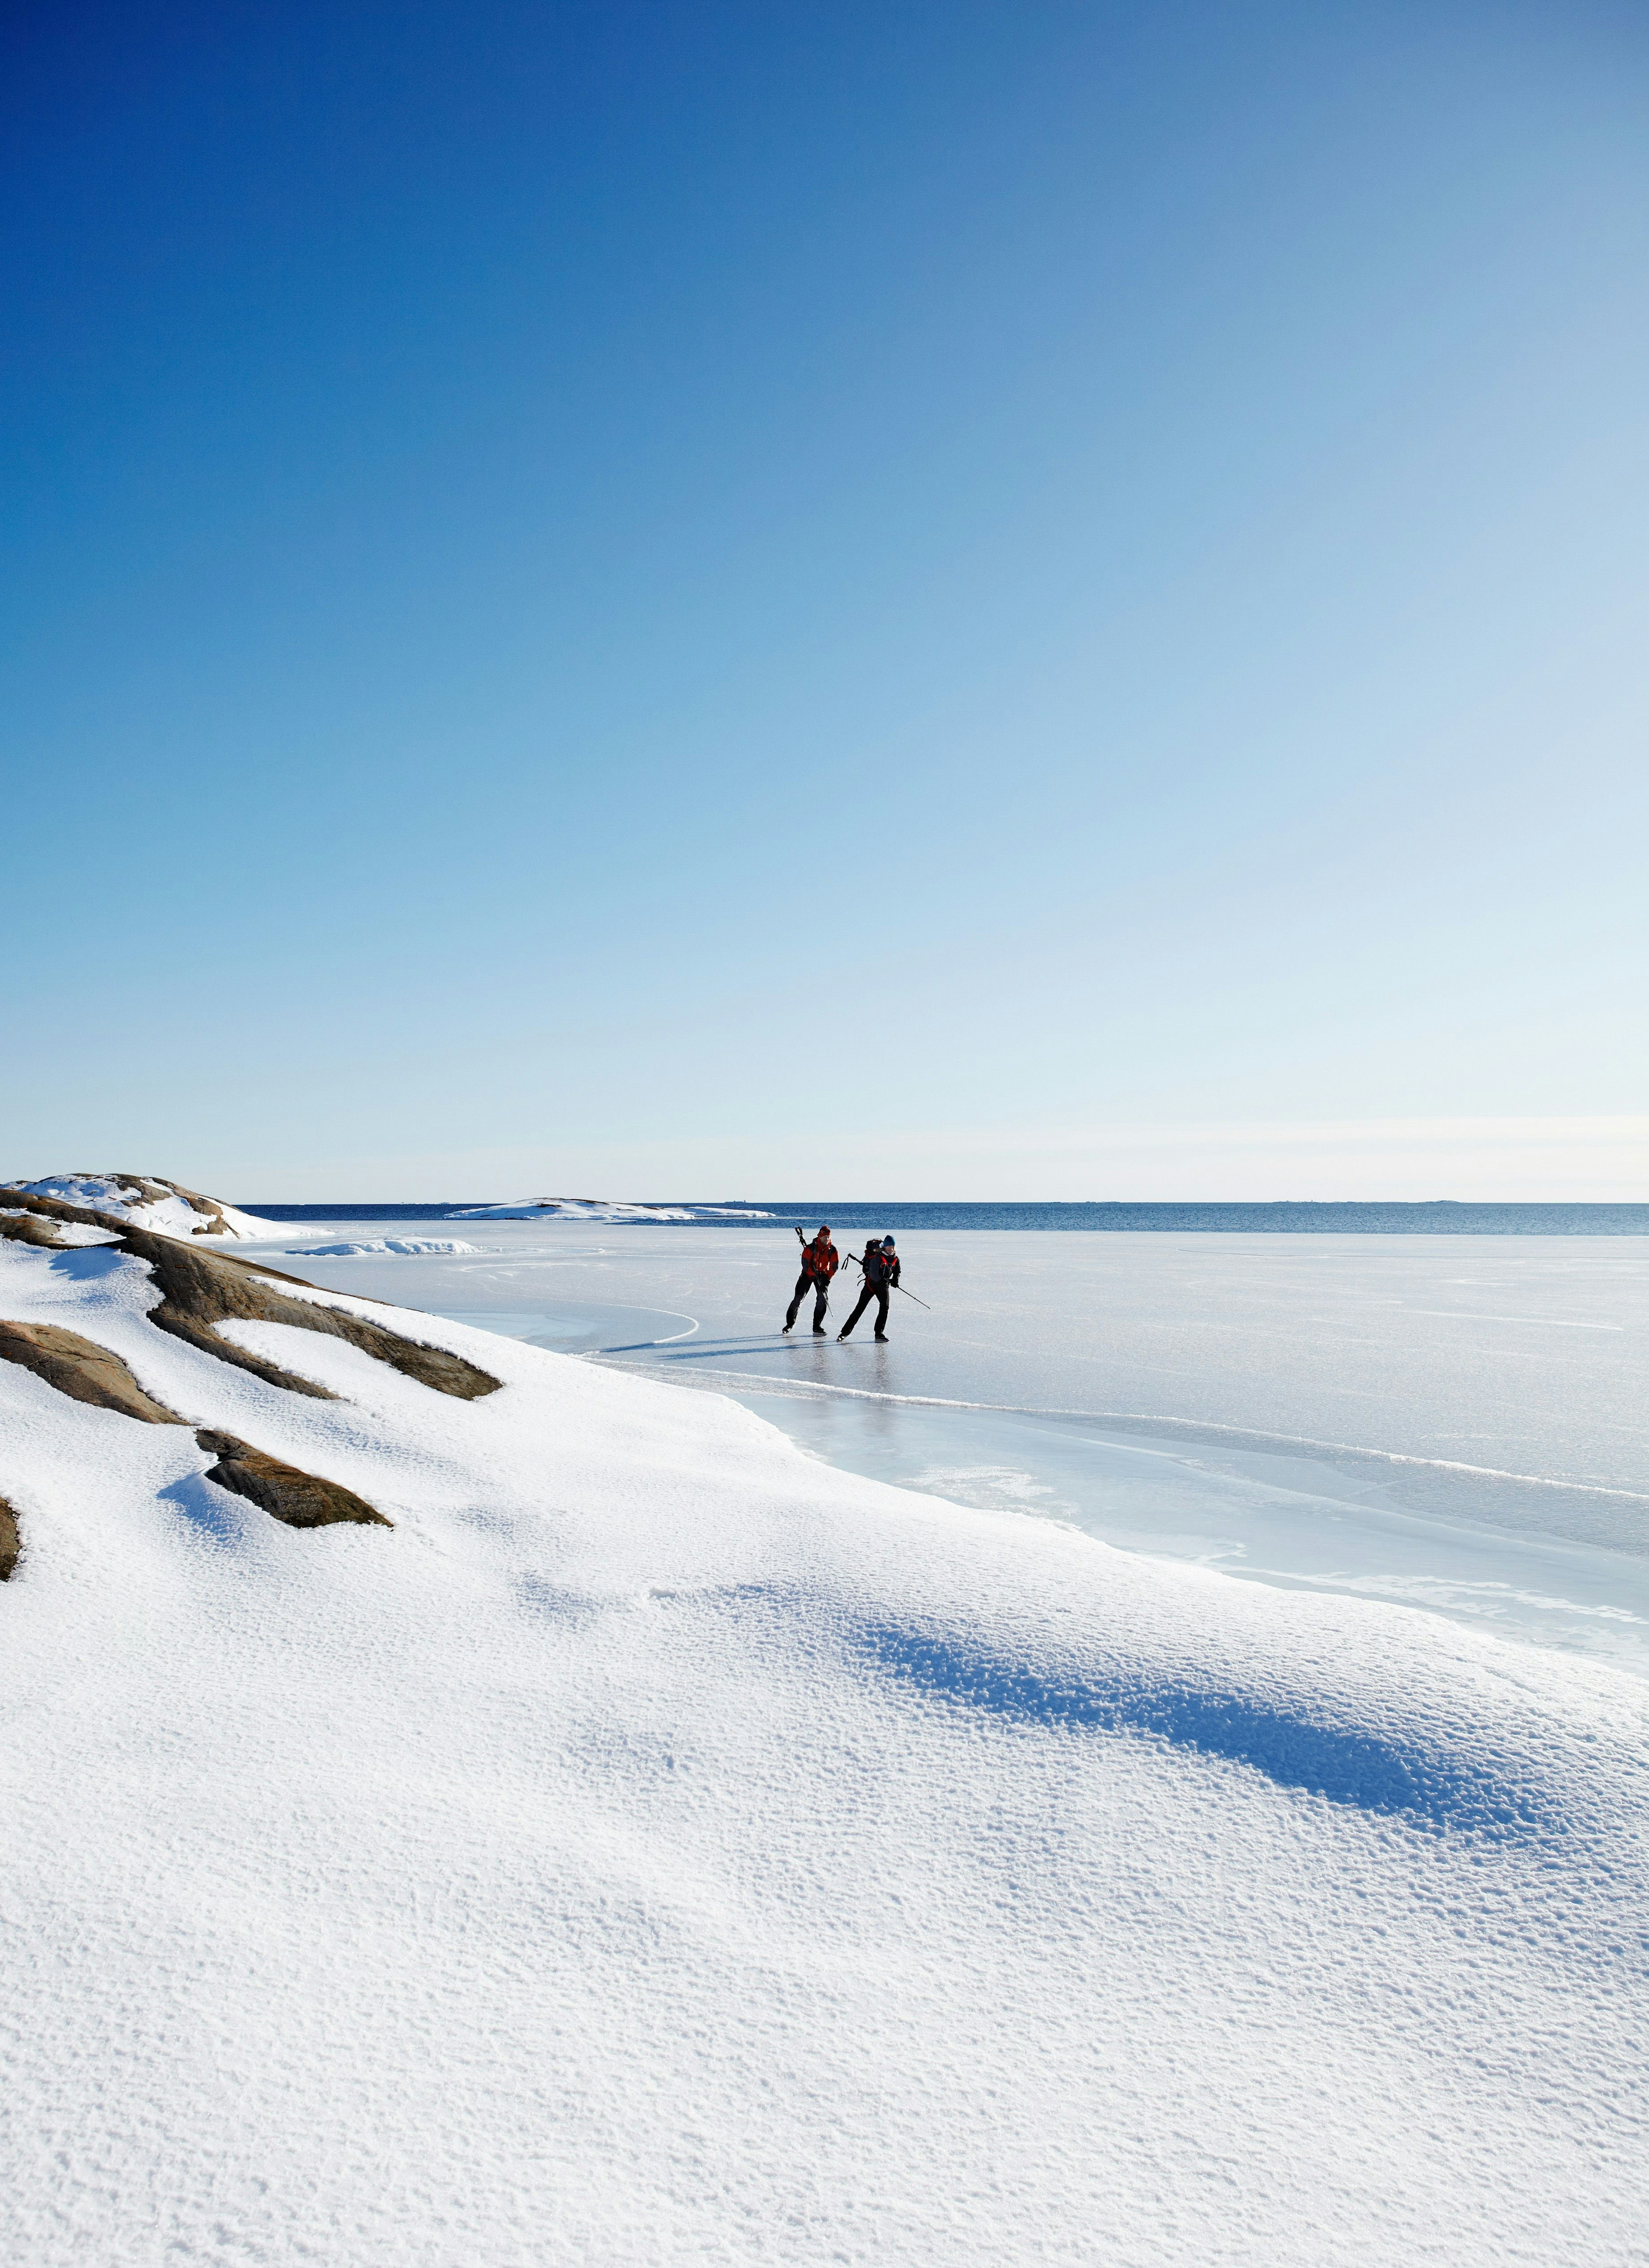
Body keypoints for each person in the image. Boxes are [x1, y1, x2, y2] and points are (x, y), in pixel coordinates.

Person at [839, 1235, 900, 1341]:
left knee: (885, 1307)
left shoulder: (895, 1259)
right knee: (860, 1308)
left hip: (883, 1288)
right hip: (870, 1286)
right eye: (889, 1246)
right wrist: (884, 1280)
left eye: (893, 1246)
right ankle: (845, 1332)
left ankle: (879, 1334)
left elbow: (897, 1271)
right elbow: (874, 1274)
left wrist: (895, 1280)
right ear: (885, 1247)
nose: (892, 1248)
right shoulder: (878, 1258)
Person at [782, 1224, 839, 1334]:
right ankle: (789, 1324)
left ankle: (817, 1326)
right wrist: (813, 1273)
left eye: (829, 1237)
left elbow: (834, 1267)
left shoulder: (833, 1250)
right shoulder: (810, 1248)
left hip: (823, 1275)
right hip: (807, 1275)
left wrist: (827, 1279)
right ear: (820, 1237)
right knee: (798, 1299)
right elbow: (805, 1264)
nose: (827, 1239)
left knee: (822, 1300)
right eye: (825, 1237)